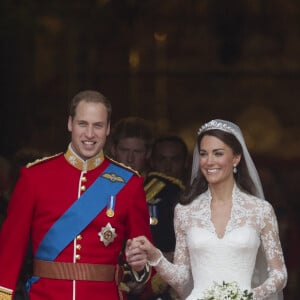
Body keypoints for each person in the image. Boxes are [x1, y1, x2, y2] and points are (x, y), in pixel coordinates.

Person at [0, 90, 152, 300]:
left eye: (98, 125)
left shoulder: (129, 184)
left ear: (107, 129)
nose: (89, 134)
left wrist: (140, 269)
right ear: (70, 124)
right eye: (83, 124)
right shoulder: (34, 177)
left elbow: (144, 257)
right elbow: (11, 249)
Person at [126, 119, 288, 300]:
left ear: (236, 158)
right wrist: (156, 256)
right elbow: (182, 279)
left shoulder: (261, 210)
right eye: (204, 154)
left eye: (218, 153)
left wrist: (246, 296)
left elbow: (279, 275)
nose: (209, 161)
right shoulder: (185, 210)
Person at [143, 135, 188, 299]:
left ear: (185, 163)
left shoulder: (194, 199)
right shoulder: (141, 193)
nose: (167, 166)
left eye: (174, 160)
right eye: (162, 159)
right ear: (152, 161)